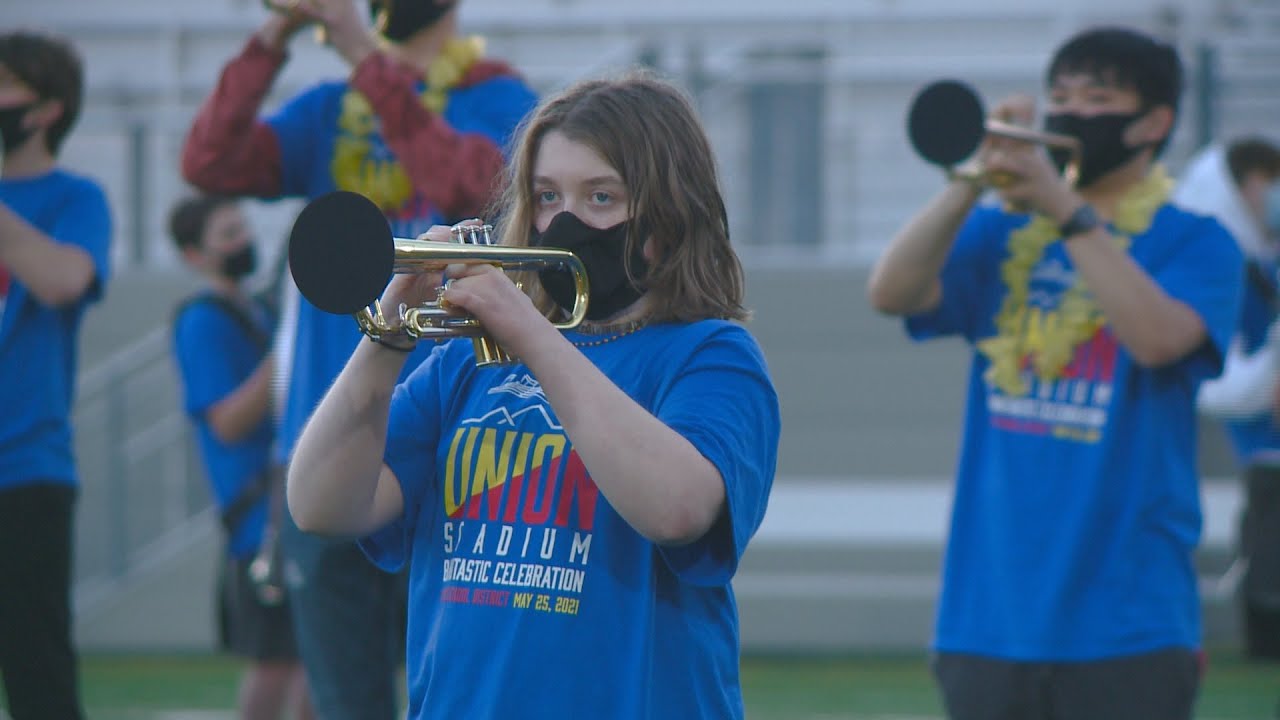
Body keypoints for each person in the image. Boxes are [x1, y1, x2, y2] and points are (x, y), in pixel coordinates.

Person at [284, 71, 781, 718]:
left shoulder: (711, 356)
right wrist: (388, 334)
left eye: (601, 197)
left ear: (670, 209)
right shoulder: (465, 364)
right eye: (547, 196)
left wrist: (531, 334)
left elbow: (677, 509)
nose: (564, 221)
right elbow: (320, 506)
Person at [867, 27, 1244, 720]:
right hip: (987, 618)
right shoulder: (1001, 231)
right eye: (1060, 97)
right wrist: (969, 183)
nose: (1071, 113)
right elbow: (891, 292)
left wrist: (1065, 209)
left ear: (1153, 123)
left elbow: (1157, 340)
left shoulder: (1197, 242)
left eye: (1096, 98)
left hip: (1129, 624)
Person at [180, 1, 537, 715]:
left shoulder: (497, 97)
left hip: (449, 442)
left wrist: (360, 53)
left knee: (460, 687)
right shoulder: (328, 109)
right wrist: (273, 35)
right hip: (329, 438)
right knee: (345, 701)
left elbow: (469, 185)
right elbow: (210, 160)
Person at [169, 195, 315, 720]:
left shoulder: (256, 309)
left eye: (242, 228)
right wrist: (290, 348)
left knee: (310, 660)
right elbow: (228, 422)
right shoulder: (202, 322)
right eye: (227, 235)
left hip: (284, 509)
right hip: (260, 525)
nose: (243, 242)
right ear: (194, 255)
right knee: (277, 663)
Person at [0, 31, 111, 720]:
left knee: (37, 673)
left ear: (45, 109)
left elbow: (64, 280)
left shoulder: (76, 198)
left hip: (23, 470)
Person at [1177, 137, 1280, 663]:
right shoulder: (1220, 266)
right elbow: (1214, 382)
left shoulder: (1264, 261)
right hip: (1264, 450)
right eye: (1266, 183)